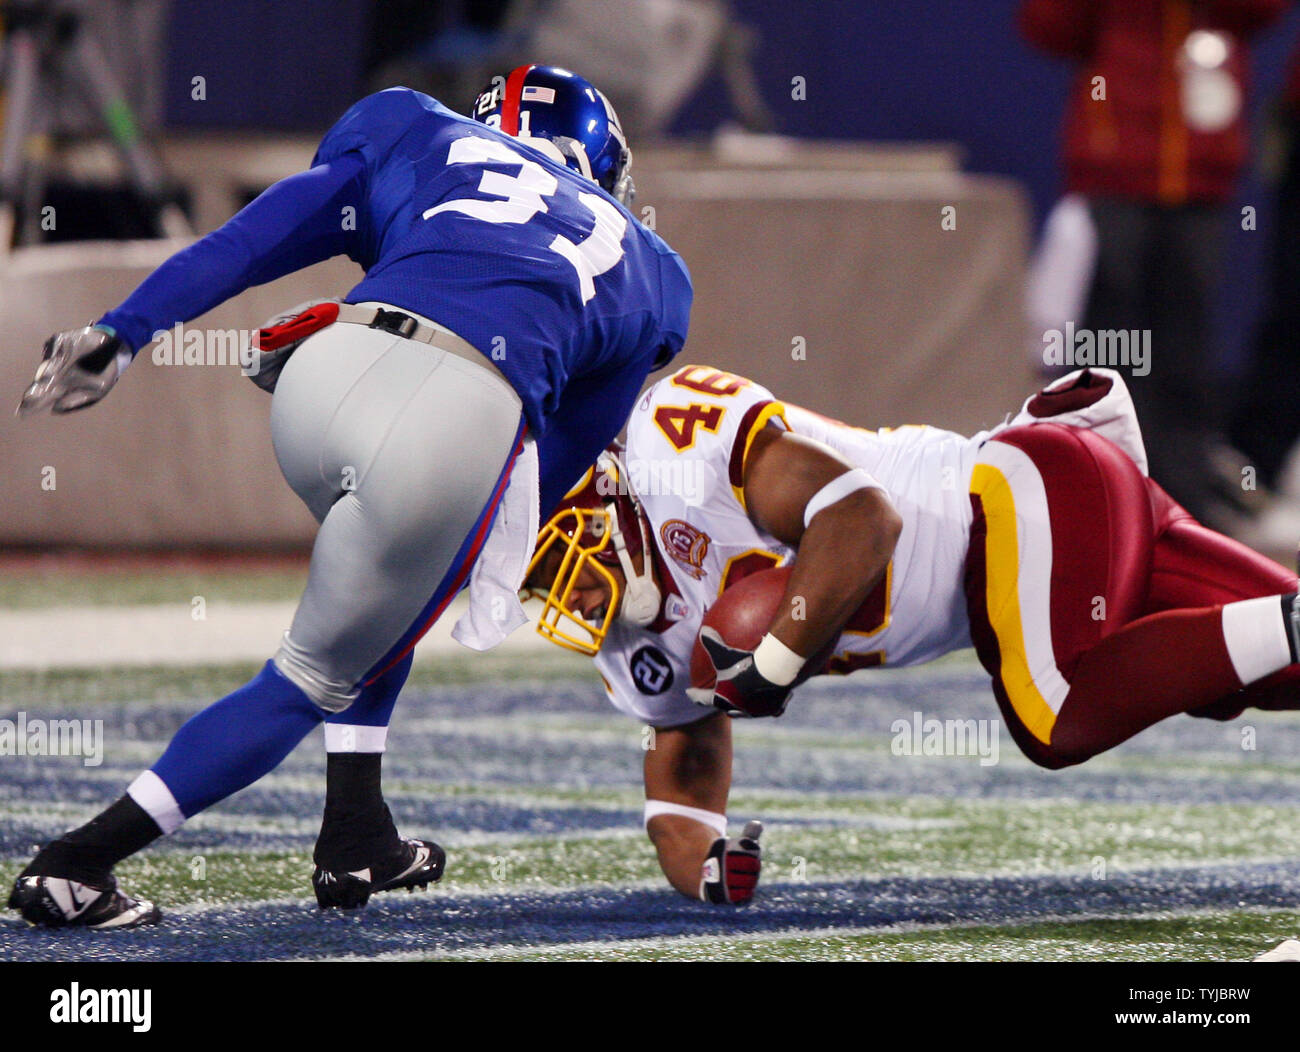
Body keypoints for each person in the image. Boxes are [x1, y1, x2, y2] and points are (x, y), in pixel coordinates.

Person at [9, 64, 692, 929]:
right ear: (601, 159)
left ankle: (356, 829)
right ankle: (74, 864)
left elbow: (252, 238)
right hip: (453, 416)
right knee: (312, 672)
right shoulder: (654, 270)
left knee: (382, 595)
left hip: (324, 371)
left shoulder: (413, 125)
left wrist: (126, 329)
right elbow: (556, 453)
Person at [520, 363, 1300, 905]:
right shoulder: (633, 648)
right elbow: (683, 772)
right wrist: (709, 868)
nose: (574, 596)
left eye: (561, 560)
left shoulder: (672, 443)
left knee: (1055, 711)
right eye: (544, 584)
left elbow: (863, 519)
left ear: (600, 492)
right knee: (1271, 670)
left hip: (1018, 490)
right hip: (1054, 553)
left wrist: (777, 659)